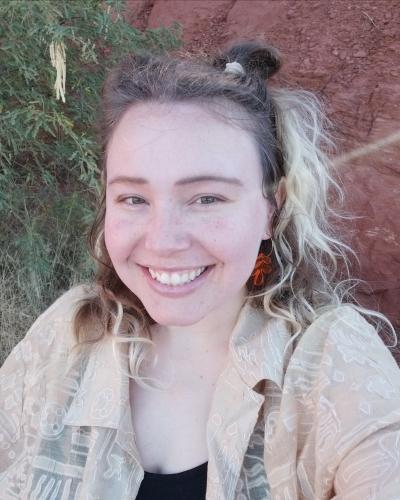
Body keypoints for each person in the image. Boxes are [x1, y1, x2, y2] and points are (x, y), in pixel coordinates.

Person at [1, 40, 399, 500]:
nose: (163, 240)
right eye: (134, 198)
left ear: (273, 207)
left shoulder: (332, 364)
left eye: (207, 198)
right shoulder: (66, 334)